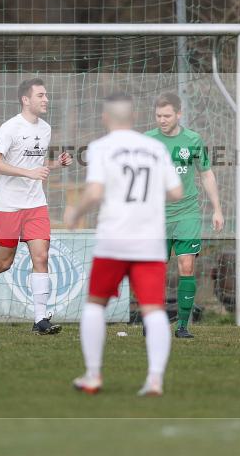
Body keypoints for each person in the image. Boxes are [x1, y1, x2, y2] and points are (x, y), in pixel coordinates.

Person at [66, 92, 183, 396]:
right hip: (148, 240)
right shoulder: (155, 148)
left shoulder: (101, 147)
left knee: (95, 304)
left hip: (113, 240)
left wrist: (75, 212)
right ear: (133, 119)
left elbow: (94, 193)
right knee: (154, 310)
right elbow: (176, 192)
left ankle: (93, 376)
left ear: (105, 118)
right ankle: (155, 379)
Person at [0, 78, 73, 334]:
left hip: (36, 204)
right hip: (8, 205)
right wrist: (27, 173)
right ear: (26, 99)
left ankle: (40, 320)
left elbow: (37, 164)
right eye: (41, 95)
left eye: (46, 95)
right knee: (4, 262)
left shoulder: (45, 128)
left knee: (41, 256)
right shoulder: (10, 127)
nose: (46, 99)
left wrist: (56, 164)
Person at [144, 92, 223, 339]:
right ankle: (152, 320)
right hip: (157, 215)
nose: (162, 120)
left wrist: (217, 209)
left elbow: (206, 174)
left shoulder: (193, 139)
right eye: (158, 115)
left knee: (186, 265)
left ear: (179, 114)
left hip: (187, 212)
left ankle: (182, 326)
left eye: (167, 115)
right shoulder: (147, 141)